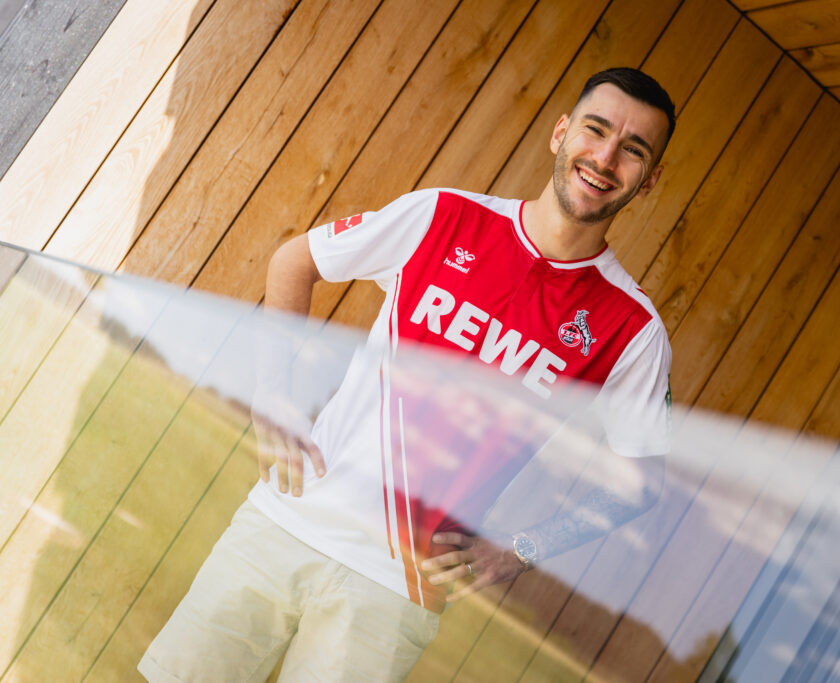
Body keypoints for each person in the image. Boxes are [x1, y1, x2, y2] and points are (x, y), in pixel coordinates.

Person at [139, 67, 677, 682]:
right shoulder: (443, 215)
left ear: (649, 179)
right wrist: (273, 391)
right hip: (288, 518)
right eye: (595, 130)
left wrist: (523, 549)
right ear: (561, 133)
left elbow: (639, 484)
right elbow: (295, 262)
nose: (605, 158)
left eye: (633, 150)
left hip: (398, 587)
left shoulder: (633, 329)